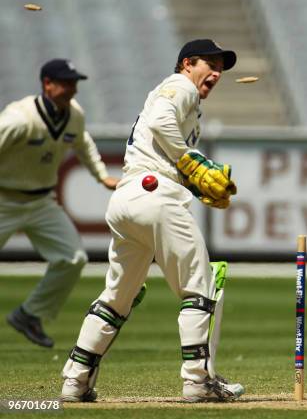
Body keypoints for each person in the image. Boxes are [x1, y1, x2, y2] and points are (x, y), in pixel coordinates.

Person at [60, 39, 242, 403]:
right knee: (201, 286)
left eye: (221, 67)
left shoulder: (182, 99)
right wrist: (192, 162)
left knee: (117, 297)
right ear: (188, 63)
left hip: (128, 199)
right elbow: (161, 123)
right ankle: (197, 381)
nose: (217, 72)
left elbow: (160, 143)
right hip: (155, 196)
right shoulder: (180, 85)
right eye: (211, 63)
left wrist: (194, 179)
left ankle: (75, 381)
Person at [1, 58, 119, 348]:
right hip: (3, 199)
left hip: (41, 201)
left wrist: (102, 176)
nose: (72, 90)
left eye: (74, 84)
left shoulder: (74, 115)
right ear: (47, 84)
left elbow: (83, 143)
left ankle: (29, 315)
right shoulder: (19, 118)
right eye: (66, 83)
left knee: (73, 258)